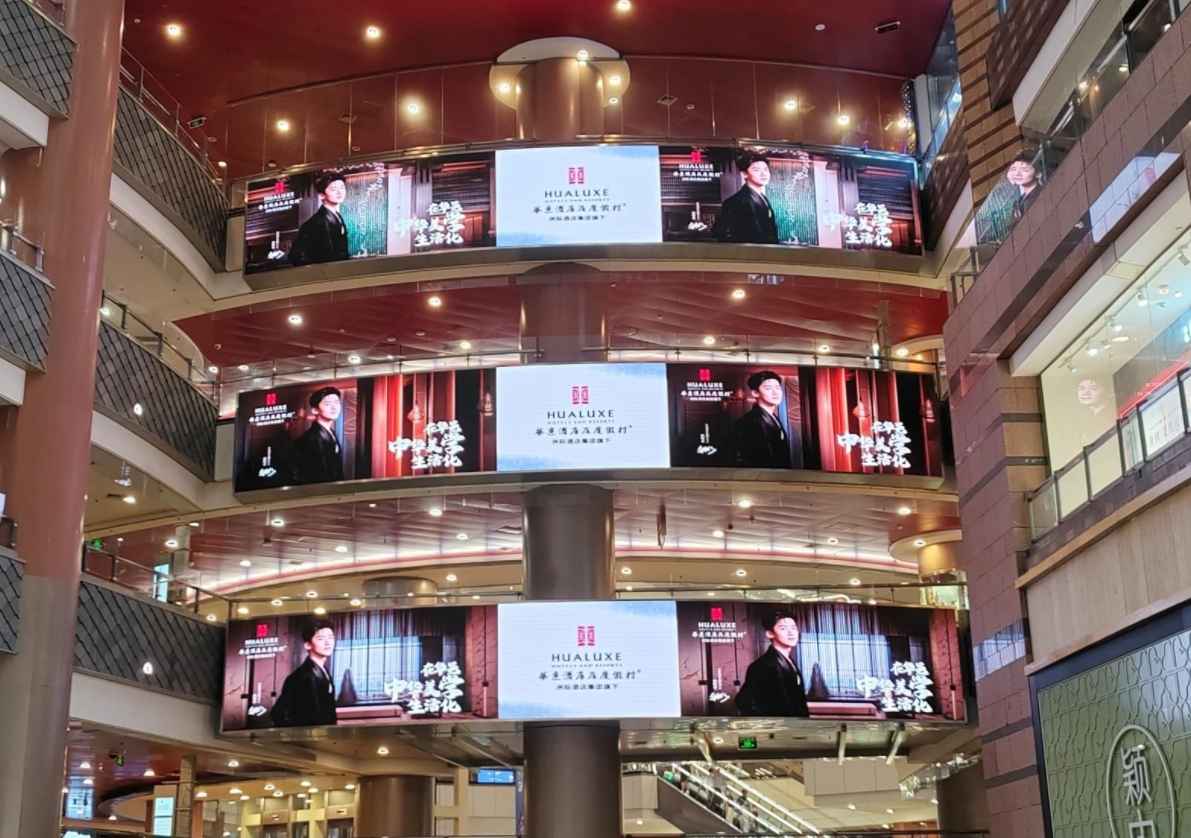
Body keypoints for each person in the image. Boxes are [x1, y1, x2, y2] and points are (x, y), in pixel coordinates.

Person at [735, 610, 810, 717]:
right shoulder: (763, 666)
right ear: (770, 634)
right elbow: (743, 702)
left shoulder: (789, 661)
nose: (791, 633)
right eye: (783, 628)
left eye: (793, 628)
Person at [271, 618, 338, 727]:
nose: (328, 643)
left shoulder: (323, 671)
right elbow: (279, 714)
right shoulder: (301, 676)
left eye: (331, 637)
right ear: (307, 645)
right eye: (321, 638)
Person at [714, 154, 780, 244]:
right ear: (744, 174)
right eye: (756, 170)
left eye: (766, 169)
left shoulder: (762, 197)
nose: (763, 174)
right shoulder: (736, 202)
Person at [732, 370, 792, 468]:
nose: (775, 392)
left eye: (778, 388)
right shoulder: (750, 422)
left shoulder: (772, 417)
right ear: (755, 393)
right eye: (768, 388)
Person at [289, 172, 350, 265]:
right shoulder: (316, 222)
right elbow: (296, 256)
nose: (339, 192)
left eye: (342, 187)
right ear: (322, 195)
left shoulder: (337, 215)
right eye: (334, 189)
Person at [290, 386, 345, 484]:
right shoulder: (310, 439)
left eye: (337, 402)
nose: (334, 407)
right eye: (328, 404)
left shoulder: (331, 432)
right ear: (315, 410)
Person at [1006, 153, 1041, 223]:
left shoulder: (1040, 192)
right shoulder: (1017, 203)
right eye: (1014, 169)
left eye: (1024, 169)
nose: (1017, 174)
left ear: (1038, 173)